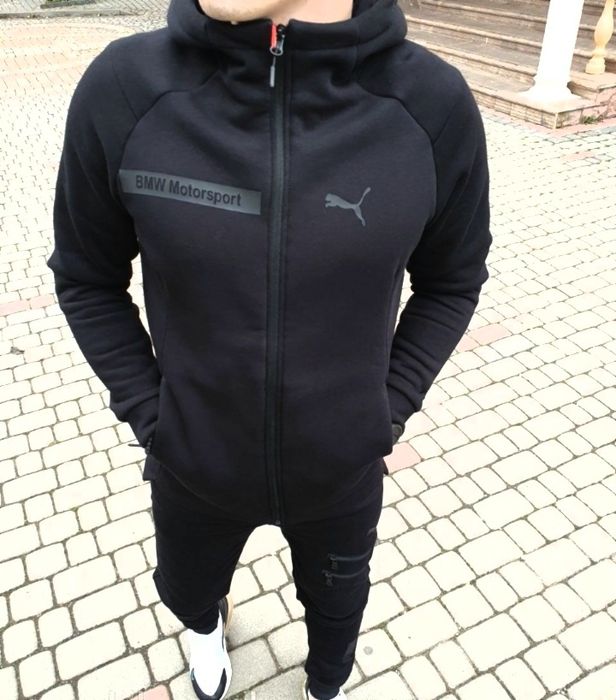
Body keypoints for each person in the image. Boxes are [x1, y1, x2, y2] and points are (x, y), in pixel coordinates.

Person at [46, 0, 492, 697]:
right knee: (188, 587)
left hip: (341, 470)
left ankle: (324, 684)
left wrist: (385, 409)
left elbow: (453, 282)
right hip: (192, 465)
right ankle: (205, 631)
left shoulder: (431, 104)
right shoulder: (126, 88)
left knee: (338, 612)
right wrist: (155, 417)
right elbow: (85, 277)